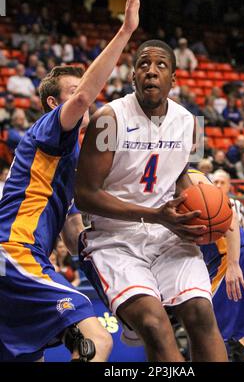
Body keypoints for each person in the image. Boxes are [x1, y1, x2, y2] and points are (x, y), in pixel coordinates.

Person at [0, 0, 145, 362]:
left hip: (20, 261)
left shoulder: (70, 160)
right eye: (73, 92)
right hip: (14, 251)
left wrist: (119, 288)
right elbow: (83, 96)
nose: (86, 97)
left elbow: (74, 233)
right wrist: (126, 30)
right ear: (52, 104)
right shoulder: (47, 132)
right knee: (96, 341)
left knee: (31, 355)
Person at [76, 39, 228, 362]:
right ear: (132, 78)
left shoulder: (190, 122)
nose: (151, 71)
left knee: (202, 313)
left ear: (174, 79)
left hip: (167, 233)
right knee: (154, 324)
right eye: (143, 65)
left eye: (161, 66)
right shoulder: (108, 119)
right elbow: (84, 196)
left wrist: (201, 212)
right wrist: (154, 215)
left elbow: (180, 175)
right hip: (115, 239)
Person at [188, 169, 244, 362]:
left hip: (232, 259)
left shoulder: (192, 179)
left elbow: (232, 220)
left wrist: (234, 265)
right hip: (237, 257)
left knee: (206, 331)